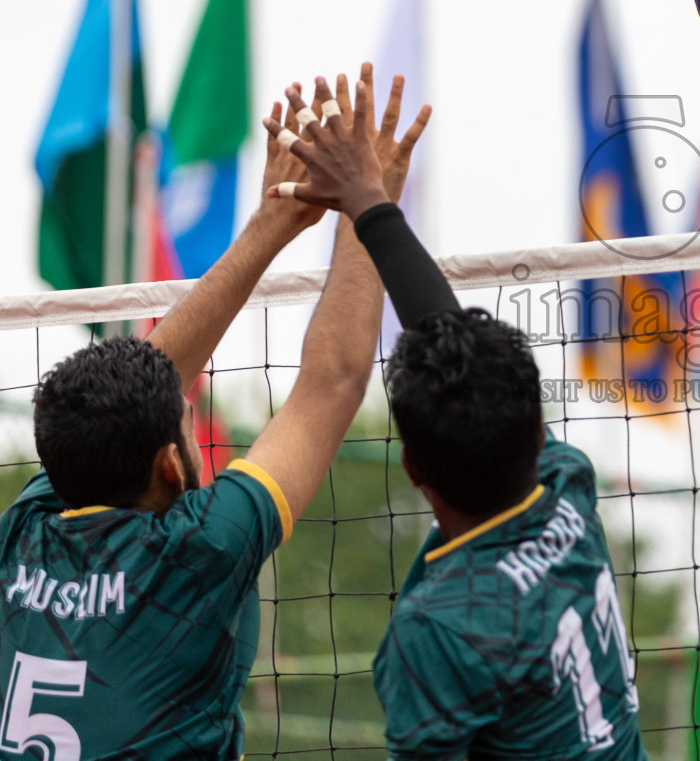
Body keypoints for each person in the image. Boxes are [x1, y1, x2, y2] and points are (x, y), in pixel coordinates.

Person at [0, 66, 426, 760]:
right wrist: (369, 203)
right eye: (188, 421)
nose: (195, 419)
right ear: (167, 462)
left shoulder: (25, 536)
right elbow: (331, 383)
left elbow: (152, 378)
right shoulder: (197, 552)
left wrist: (268, 229)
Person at [266, 83, 646, 759]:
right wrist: (370, 203)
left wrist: (369, 203)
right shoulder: (566, 488)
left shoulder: (438, 629)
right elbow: (450, 336)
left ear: (413, 472)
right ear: (534, 428)